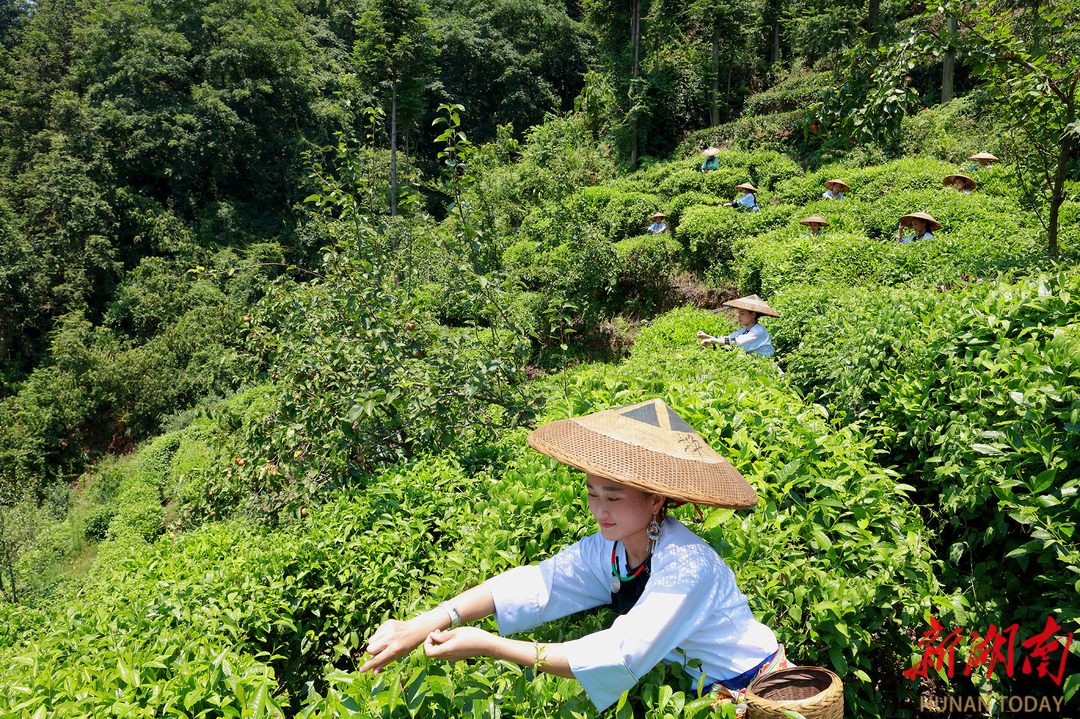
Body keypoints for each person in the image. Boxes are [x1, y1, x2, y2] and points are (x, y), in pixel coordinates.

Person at [358, 399, 787, 713]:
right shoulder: (613, 550)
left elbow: (618, 654)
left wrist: (490, 645)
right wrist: (425, 622)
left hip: (757, 687)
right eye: (592, 493)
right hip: (697, 687)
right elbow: (537, 584)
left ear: (656, 500)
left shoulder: (687, 565)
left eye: (615, 497)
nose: (600, 510)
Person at [695, 294, 777, 357]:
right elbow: (728, 338)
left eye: (742, 314)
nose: (739, 316)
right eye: (739, 314)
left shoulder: (759, 331)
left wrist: (713, 341)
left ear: (753, 315)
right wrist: (707, 337)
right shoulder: (744, 330)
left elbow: (737, 343)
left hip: (768, 371)